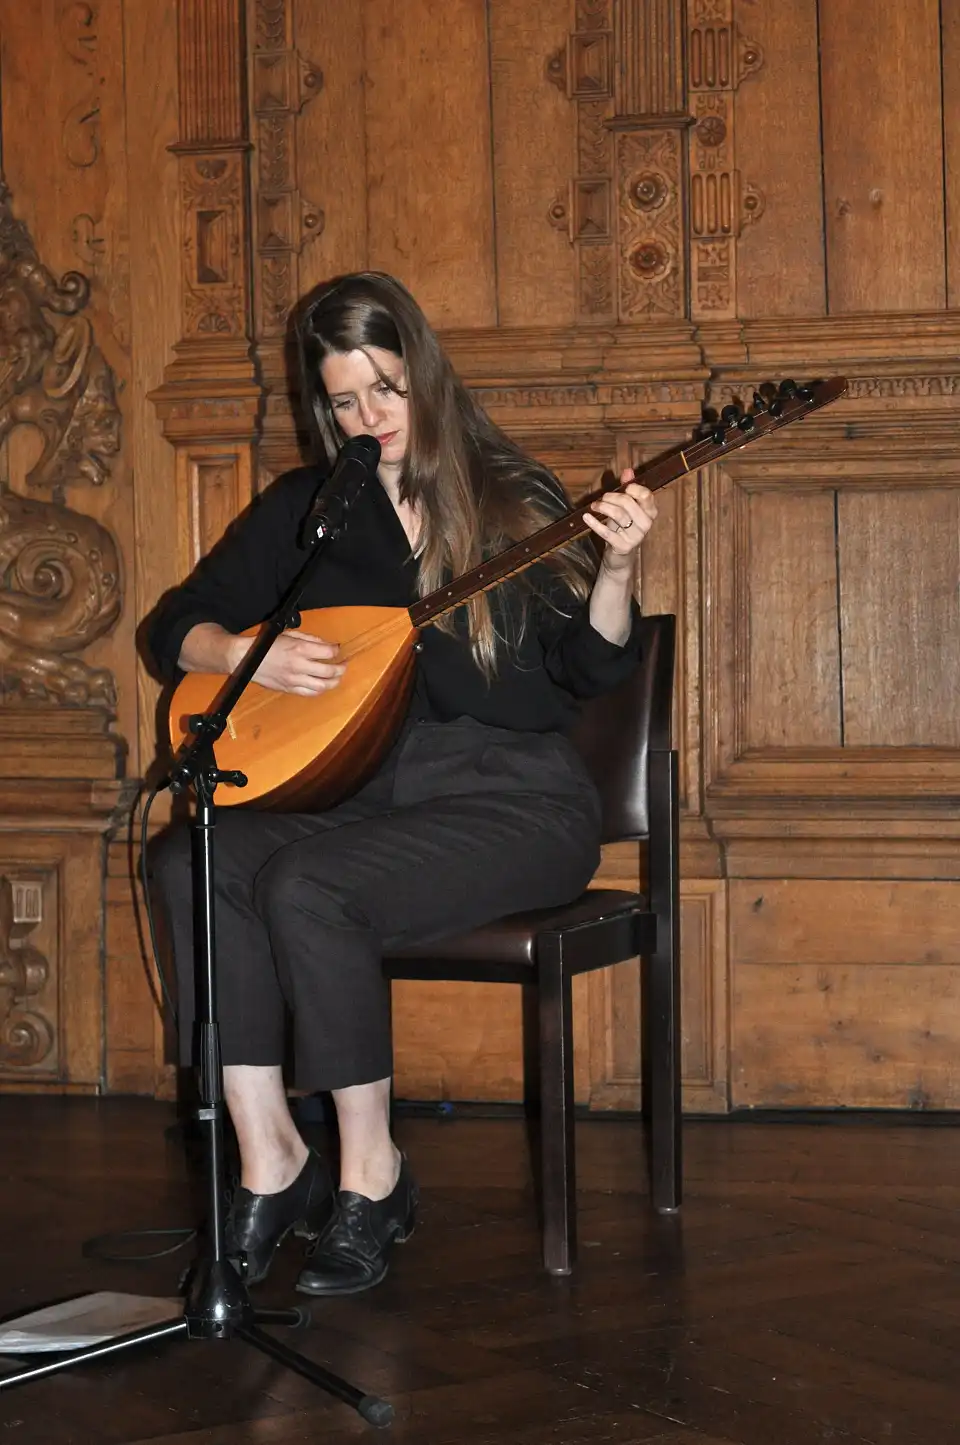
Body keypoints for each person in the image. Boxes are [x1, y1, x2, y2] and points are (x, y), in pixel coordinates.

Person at [148, 271, 658, 1298]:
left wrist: (616, 572)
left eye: (386, 388)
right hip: (374, 803)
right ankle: (273, 1159)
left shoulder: (513, 499)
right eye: (343, 400)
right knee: (187, 856)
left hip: (520, 803)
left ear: (424, 374)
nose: (368, 418)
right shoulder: (311, 513)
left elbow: (587, 671)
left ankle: (373, 1177)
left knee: (308, 884)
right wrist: (249, 646)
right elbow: (174, 626)